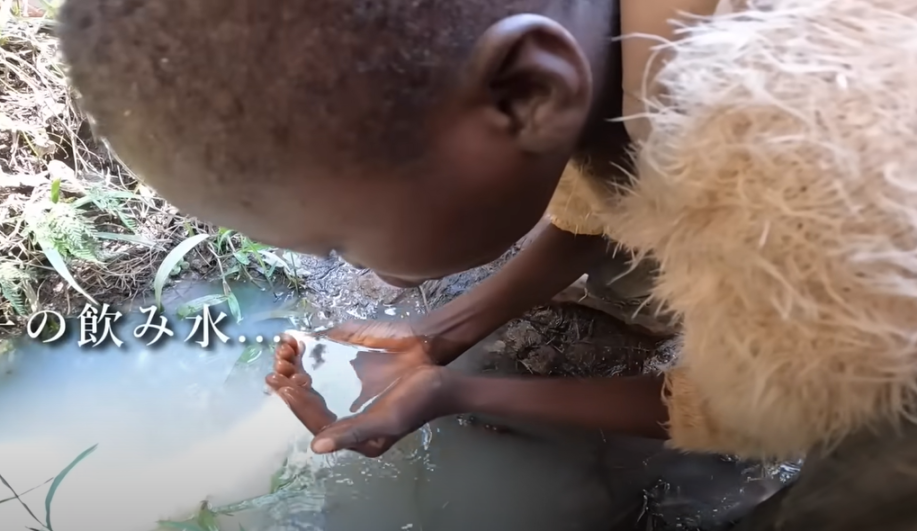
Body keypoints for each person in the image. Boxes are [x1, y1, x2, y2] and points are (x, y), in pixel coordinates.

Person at [57, 0, 917, 527]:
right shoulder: (603, 42)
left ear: (522, 96)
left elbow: (756, 411)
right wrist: (442, 332)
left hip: (878, 302)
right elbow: (593, 183)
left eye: (335, 242)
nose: (373, 275)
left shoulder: (806, 187)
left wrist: (460, 391)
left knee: (872, 482)